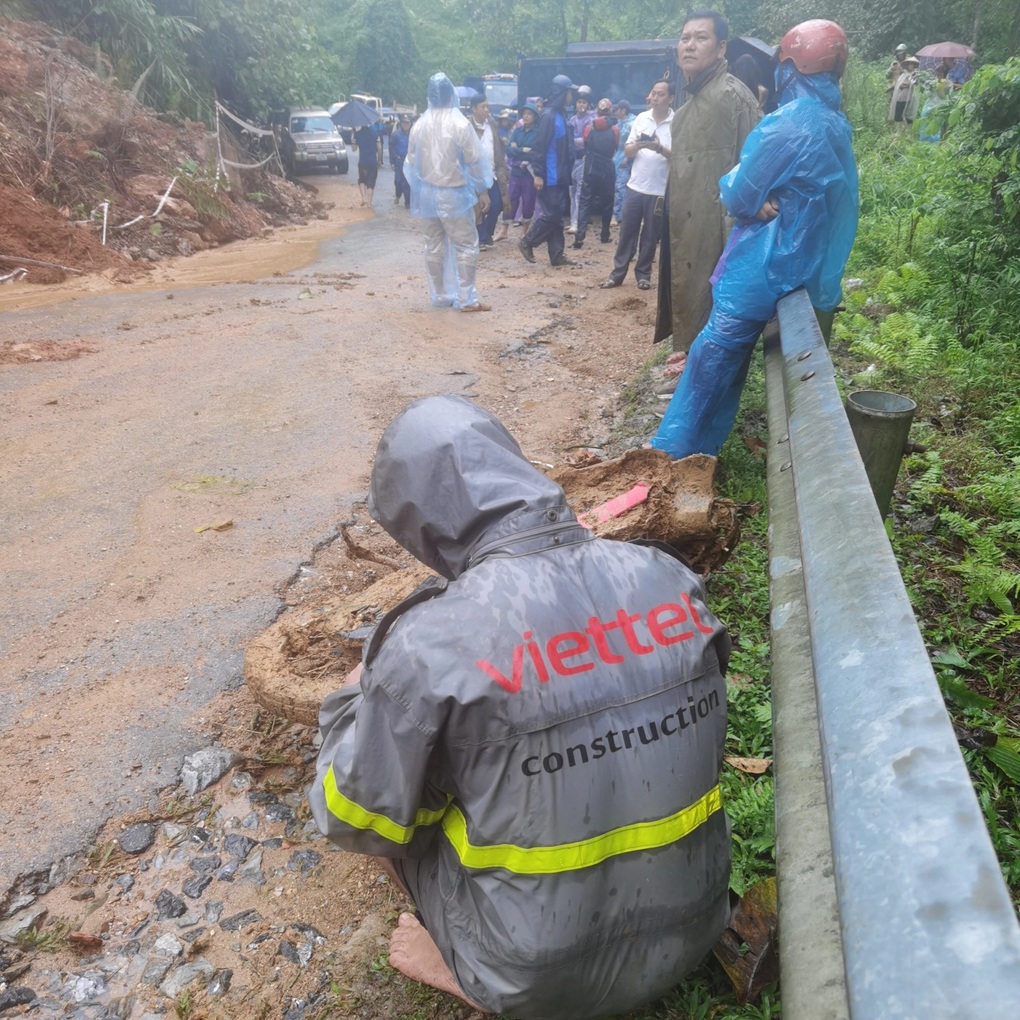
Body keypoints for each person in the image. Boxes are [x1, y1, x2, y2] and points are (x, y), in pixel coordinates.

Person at [310, 393, 733, 1020]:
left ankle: (460, 966)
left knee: (394, 798)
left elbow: (355, 819)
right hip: (696, 928)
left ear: (420, 523)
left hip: (535, 983)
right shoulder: (665, 575)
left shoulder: (429, 643)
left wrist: (356, 698)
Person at [650, 19, 858, 460]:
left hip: (761, 267)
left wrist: (733, 181)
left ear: (789, 67)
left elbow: (739, 192)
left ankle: (670, 455)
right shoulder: (836, 124)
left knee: (711, 358)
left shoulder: (787, 124)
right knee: (729, 361)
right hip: (803, 267)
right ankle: (702, 453)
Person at [655, 9, 759, 360]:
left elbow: (755, 169)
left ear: (721, 47)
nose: (690, 45)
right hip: (687, 220)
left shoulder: (735, 98)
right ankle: (686, 348)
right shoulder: (686, 105)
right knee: (688, 281)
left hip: (718, 224)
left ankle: (700, 359)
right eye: (685, 38)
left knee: (711, 289)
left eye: (701, 38)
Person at [403, 73, 493, 312]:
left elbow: (410, 164)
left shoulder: (418, 125)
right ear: (451, 93)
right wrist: (483, 190)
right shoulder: (460, 124)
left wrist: (422, 187)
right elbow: (475, 161)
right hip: (454, 194)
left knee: (433, 245)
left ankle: (441, 295)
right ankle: (466, 298)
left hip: (427, 195)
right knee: (465, 244)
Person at [601, 79, 674, 290]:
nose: (655, 97)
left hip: (659, 190)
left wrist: (659, 148)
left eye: (660, 94)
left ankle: (643, 275)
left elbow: (678, 155)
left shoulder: (677, 122)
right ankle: (617, 274)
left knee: (651, 236)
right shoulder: (642, 118)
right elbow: (627, 149)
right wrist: (640, 145)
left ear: (670, 98)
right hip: (635, 186)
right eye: (653, 93)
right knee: (627, 233)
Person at [519, 75, 578, 268]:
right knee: (552, 215)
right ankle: (528, 242)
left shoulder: (560, 114)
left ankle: (557, 255)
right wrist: (538, 174)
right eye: (569, 92)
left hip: (560, 175)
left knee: (557, 216)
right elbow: (539, 147)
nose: (571, 96)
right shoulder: (548, 116)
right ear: (562, 93)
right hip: (548, 176)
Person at [572, 97, 619, 248]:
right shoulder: (615, 129)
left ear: (597, 111)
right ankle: (605, 235)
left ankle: (580, 236)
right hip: (607, 167)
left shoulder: (589, 128)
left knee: (585, 200)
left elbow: (586, 144)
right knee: (607, 202)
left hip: (591, 166)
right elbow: (615, 147)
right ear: (610, 111)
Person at [468, 93, 510, 247]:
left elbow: (498, 147)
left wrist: (503, 169)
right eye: (482, 107)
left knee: (498, 204)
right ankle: (481, 237)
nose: (486, 110)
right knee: (478, 207)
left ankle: (487, 233)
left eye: (487, 106)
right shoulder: (467, 126)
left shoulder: (492, 124)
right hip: (475, 174)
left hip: (493, 173)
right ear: (474, 108)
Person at [506, 101, 540, 229]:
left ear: (535, 117)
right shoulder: (517, 131)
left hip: (529, 172)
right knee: (511, 198)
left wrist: (517, 149)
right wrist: (522, 150)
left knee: (528, 200)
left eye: (529, 114)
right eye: (524, 114)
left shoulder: (537, 133)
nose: (526, 116)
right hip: (515, 170)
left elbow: (535, 153)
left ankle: (524, 231)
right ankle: (504, 229)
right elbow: (508, 150)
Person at [566, 84, 595, 233]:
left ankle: (577, 223)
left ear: (588, 104)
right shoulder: (571, 119)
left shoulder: (591, 119)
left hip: (585, 158)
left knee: (580, 192)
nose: (581, 105)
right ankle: (573, 220)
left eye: (584, 102)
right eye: (579, 102)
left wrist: (571, 140)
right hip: (573, 159)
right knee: (572, 191)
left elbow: (587, 139)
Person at [611, 99, 635, 223]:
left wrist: (627, 158)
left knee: (621, 186)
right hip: (617, 157)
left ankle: (618, 214)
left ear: (623, 110)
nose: (614, 112)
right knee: (616, 186)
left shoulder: (633, 124)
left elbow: (634, 142)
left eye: (617, 110)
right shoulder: (617, 124)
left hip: (627, 157)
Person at [888, 55, 920, 130]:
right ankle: (899, 131)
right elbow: (898, 84)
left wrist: (908, 85)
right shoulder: (903, 75)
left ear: (914, 65)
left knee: (908, 115)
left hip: (909, 98)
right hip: (900, 97)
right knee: (898, 114)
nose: (910, 65)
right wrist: (902, 85)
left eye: (912, 64)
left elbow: (916, 85)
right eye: (909, 63)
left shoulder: (916, 75)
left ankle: (909, 133)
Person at [354, 122, 382, 207]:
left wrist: (353, 137)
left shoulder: (357, 134)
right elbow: (379, 148)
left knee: (362, 180)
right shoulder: (375, 132)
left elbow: (353, 149)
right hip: (373, 162)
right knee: (371, 182)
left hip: (362, 161)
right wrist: (379, 160)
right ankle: (369, 203)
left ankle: (364, 198)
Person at [389, 114, 413, 209]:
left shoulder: (413, 134)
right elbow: (391, 148)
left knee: (407, 182)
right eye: (403, 123)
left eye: (407, 123)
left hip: (409, 161)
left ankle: (408, 202)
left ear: (411, 123)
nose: (405, 125)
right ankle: (398, 194)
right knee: (398, 181)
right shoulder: (396, 135)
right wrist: (393, 160)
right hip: (399, 160)